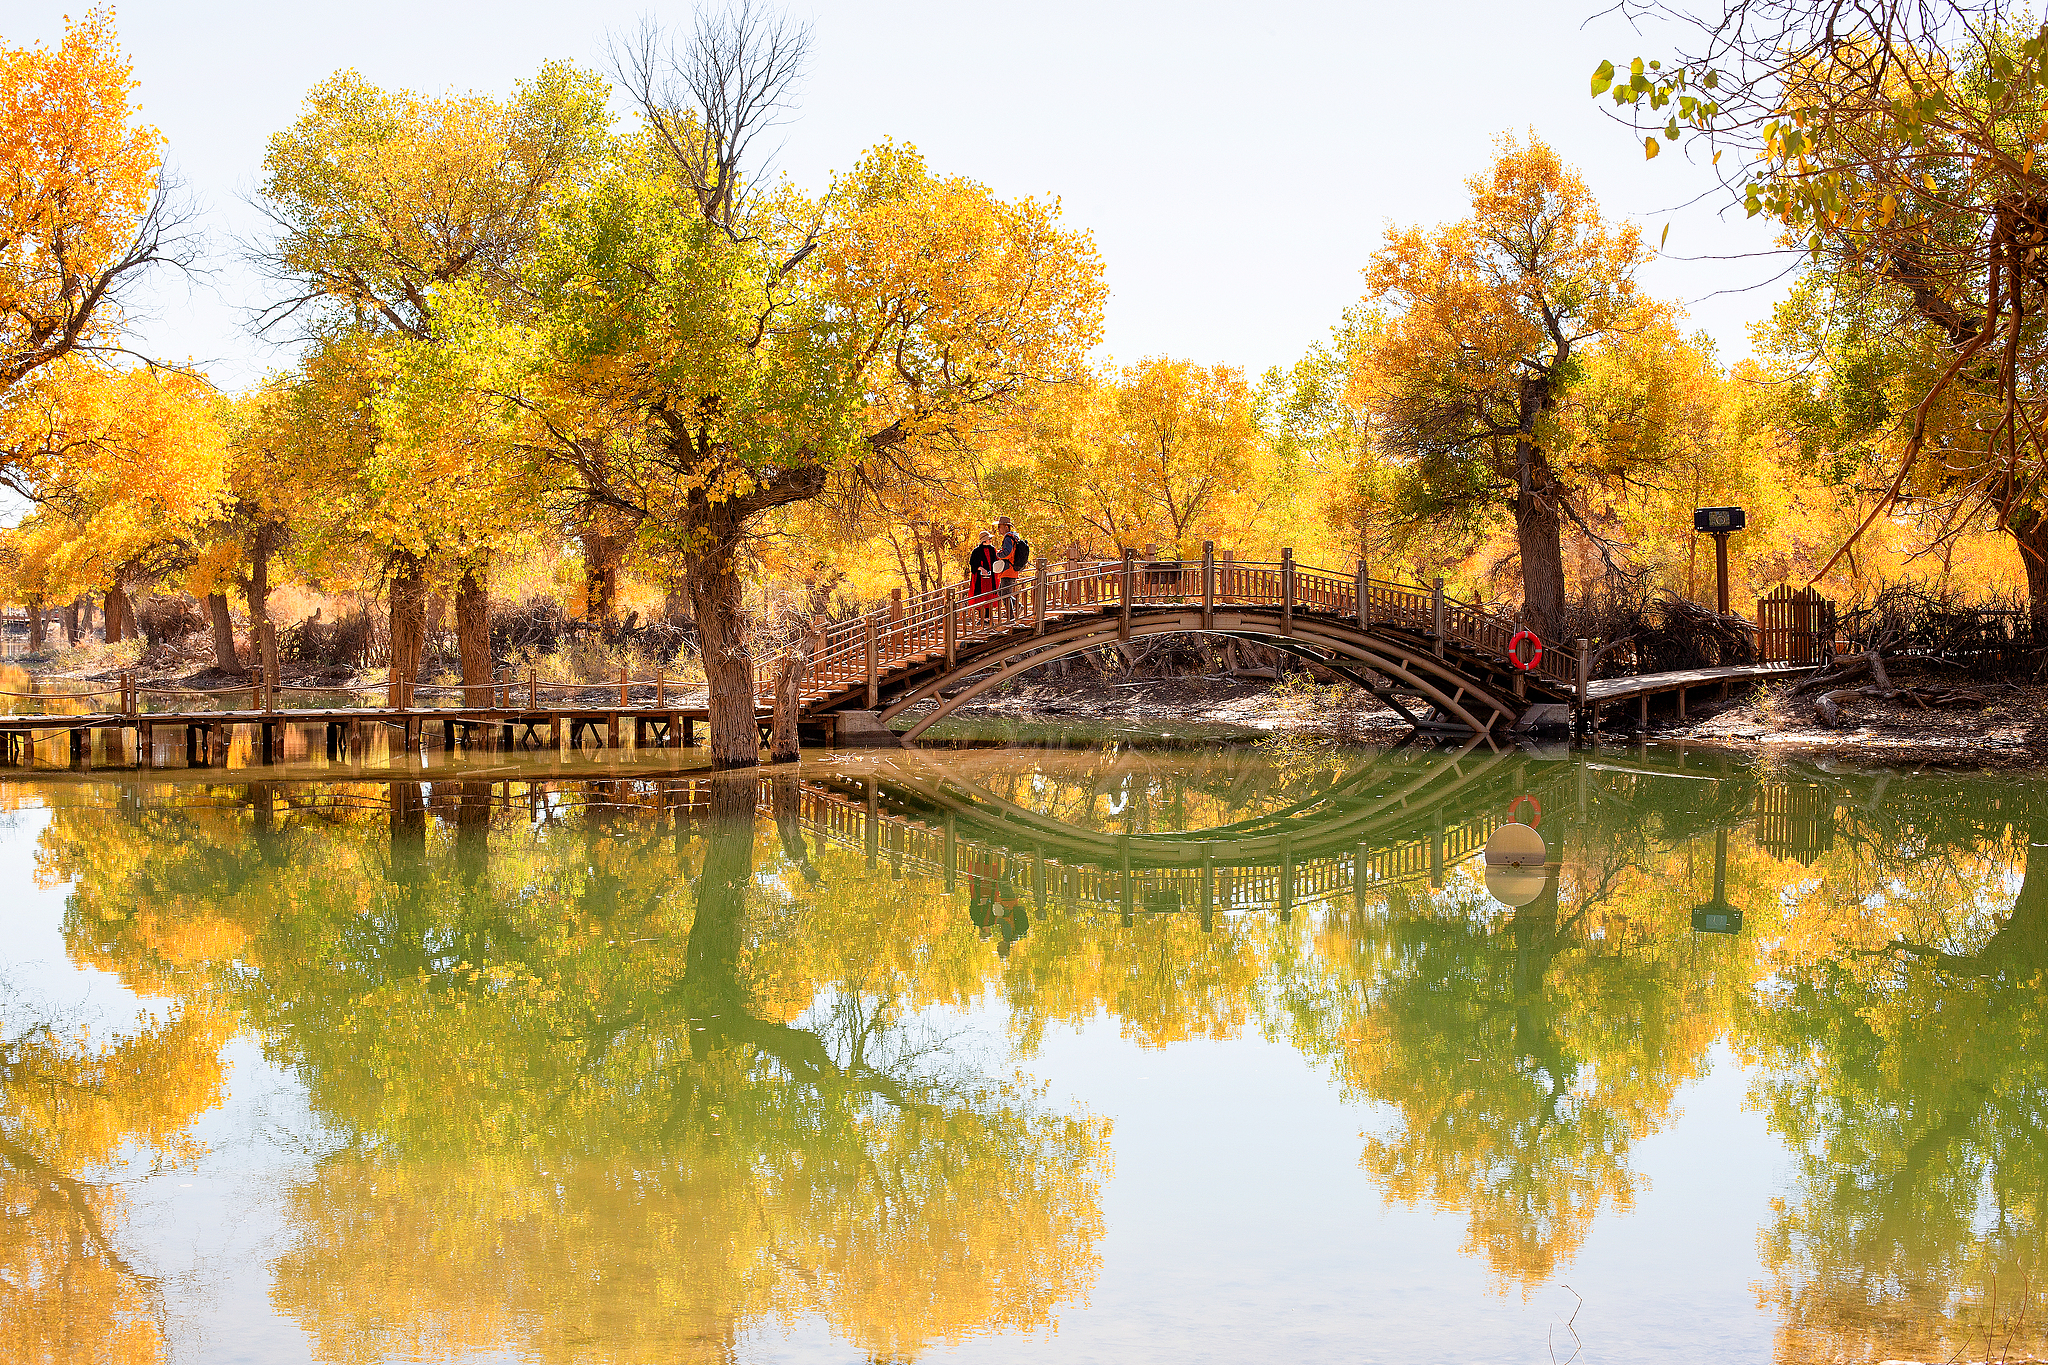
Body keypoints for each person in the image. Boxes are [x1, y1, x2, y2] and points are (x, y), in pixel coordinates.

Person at [995, 516, 1026, 620]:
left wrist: (998, 554)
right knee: (1001, 592)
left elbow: (1007, 553)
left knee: (1005, 594)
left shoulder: (1008, 538)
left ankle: (1011, 616)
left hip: (1008, 570)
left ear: (1006, 527)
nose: (998, 529)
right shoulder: (1013, 537)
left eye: (999, 526)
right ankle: (1017, 606)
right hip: (1011, 570)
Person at [968, 532, 999, 624]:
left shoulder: (993, 550)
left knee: (990, 597)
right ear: (984, 540)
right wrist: (980, 568)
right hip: (980, 580)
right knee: (980, 597)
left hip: (991, 579)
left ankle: (988, 618)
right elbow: (973, 565)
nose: (990, 540)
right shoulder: (976, 551)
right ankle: (981, 618)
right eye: (989, 539)